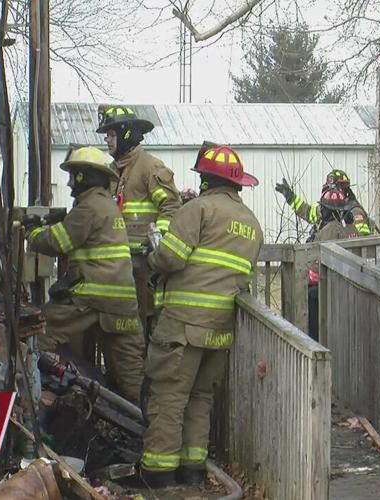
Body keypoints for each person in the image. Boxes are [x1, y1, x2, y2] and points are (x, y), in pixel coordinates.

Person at [138, 144, 263, 487]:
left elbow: (170, 259)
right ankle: (193, 472)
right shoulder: (252, 224)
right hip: (220, 332)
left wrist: (152, 252)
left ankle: (158, 476)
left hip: (182, 325)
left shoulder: (199, 209)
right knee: (200, 399)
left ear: (206, 180)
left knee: (168, 397)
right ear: (238, 185)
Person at [28, 146, 144, 404]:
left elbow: (58, 242)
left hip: (93, 296)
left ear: (85, 176)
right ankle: (147, 427)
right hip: (122, 303)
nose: (69, 182)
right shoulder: (106, 205)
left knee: (37, 330)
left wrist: (33, 232)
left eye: (73, 175)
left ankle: (36, 397)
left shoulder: (90, 207)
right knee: (130, 370)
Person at [95, 105, 181, 336]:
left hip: (143, 266)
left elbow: (171, 206)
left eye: (111, 135)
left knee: (141, 325)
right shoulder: (113, 170)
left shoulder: (150, 168)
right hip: (118, 263)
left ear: (125, 134)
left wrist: (157, 241)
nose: (107, 140)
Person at [274, 169, 375, 340]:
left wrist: (350, 225)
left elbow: (364, 239)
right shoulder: (329, 206)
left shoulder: (355, 211)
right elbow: (308, 211)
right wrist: (290, 197)